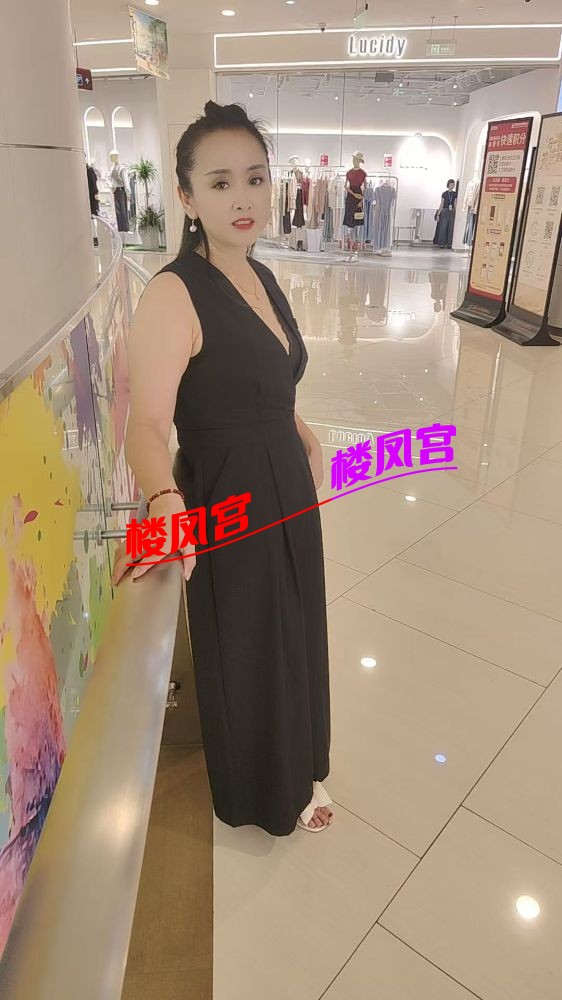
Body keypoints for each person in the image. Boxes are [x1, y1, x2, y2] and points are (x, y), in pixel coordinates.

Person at [112, 102, 333, 836]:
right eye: (219, 182)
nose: (243, 198)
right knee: (247, 643)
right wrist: (164, 501)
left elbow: (266, 377)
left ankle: (300, 766)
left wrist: (299, 430)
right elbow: (146, 426)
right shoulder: (174, 292)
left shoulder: (260, 273)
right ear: (186, 197)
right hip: (228, 497)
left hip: (286, 488)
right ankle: (259, 793)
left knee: (293, 628)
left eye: (255, 178)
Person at [435, 179, 457, 249]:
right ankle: (441, 243)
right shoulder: (444, 194)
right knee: (443, 228)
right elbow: (441, 204)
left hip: (452, 211)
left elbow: (455, 204)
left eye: (453, 184)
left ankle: (449, 243)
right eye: (451, 184)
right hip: (444, 211)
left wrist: (456, 212)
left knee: (451, 228)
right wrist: (438, 214)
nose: (452, 186)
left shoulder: (455, 194)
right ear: (448, 185)